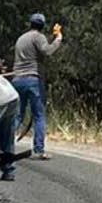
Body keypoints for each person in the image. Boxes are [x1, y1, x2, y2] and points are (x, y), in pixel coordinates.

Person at [12, 12, 63, 159]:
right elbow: (47, 51)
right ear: (42, 26)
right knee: (39, 115)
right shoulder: (38, 37)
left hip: (17, 79)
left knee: (18, 115)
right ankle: (39, 149)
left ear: (30, 23)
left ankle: (4, 145)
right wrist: (58, 39)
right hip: (32, 79)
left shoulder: (21, 38)